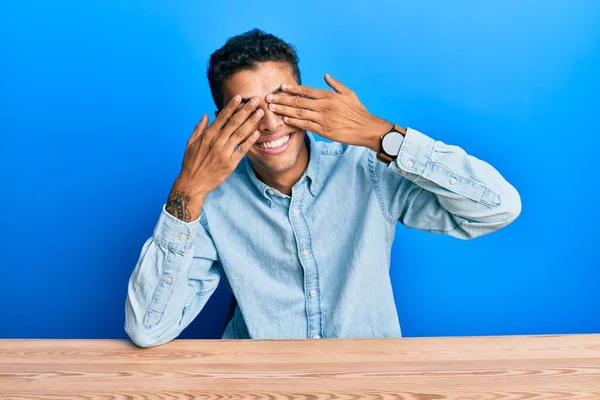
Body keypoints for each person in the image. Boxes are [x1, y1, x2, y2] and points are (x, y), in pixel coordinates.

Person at [124, 29, 521, 347]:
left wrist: (380, 134)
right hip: (260, 388)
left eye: (281, 100)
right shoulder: (210, 202)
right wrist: (188, 191)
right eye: (246, 107)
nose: (270, 122)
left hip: (368, 385)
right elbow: (147, 329)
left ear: (306, 95)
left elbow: (499, 207)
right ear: (223, 118)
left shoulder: (366, 167)